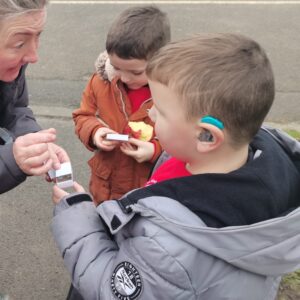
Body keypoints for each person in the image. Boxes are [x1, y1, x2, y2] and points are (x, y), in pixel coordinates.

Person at [51, 34, 300, 299]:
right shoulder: (254, 169)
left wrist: (78, 216)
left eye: (160, 109)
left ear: (206, 136)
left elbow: (109, 289)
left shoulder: (168, 247)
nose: (151, 114)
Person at [72, 6, 170, 204]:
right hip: (105, 187)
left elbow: (185, 137)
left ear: (160, 61)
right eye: (117, 68)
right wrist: (95, 132)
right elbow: (83, 116)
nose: (125, 78)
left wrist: (155, 151)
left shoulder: (172, 93)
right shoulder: (101, 82)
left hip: (147, 193)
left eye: (136, 72)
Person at [0, 0, 69, 194]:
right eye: (19, 43)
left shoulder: (15, 65)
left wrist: (33, 140)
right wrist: (9, 160)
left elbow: (14, 107)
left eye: (38, 36)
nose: (33, 56)